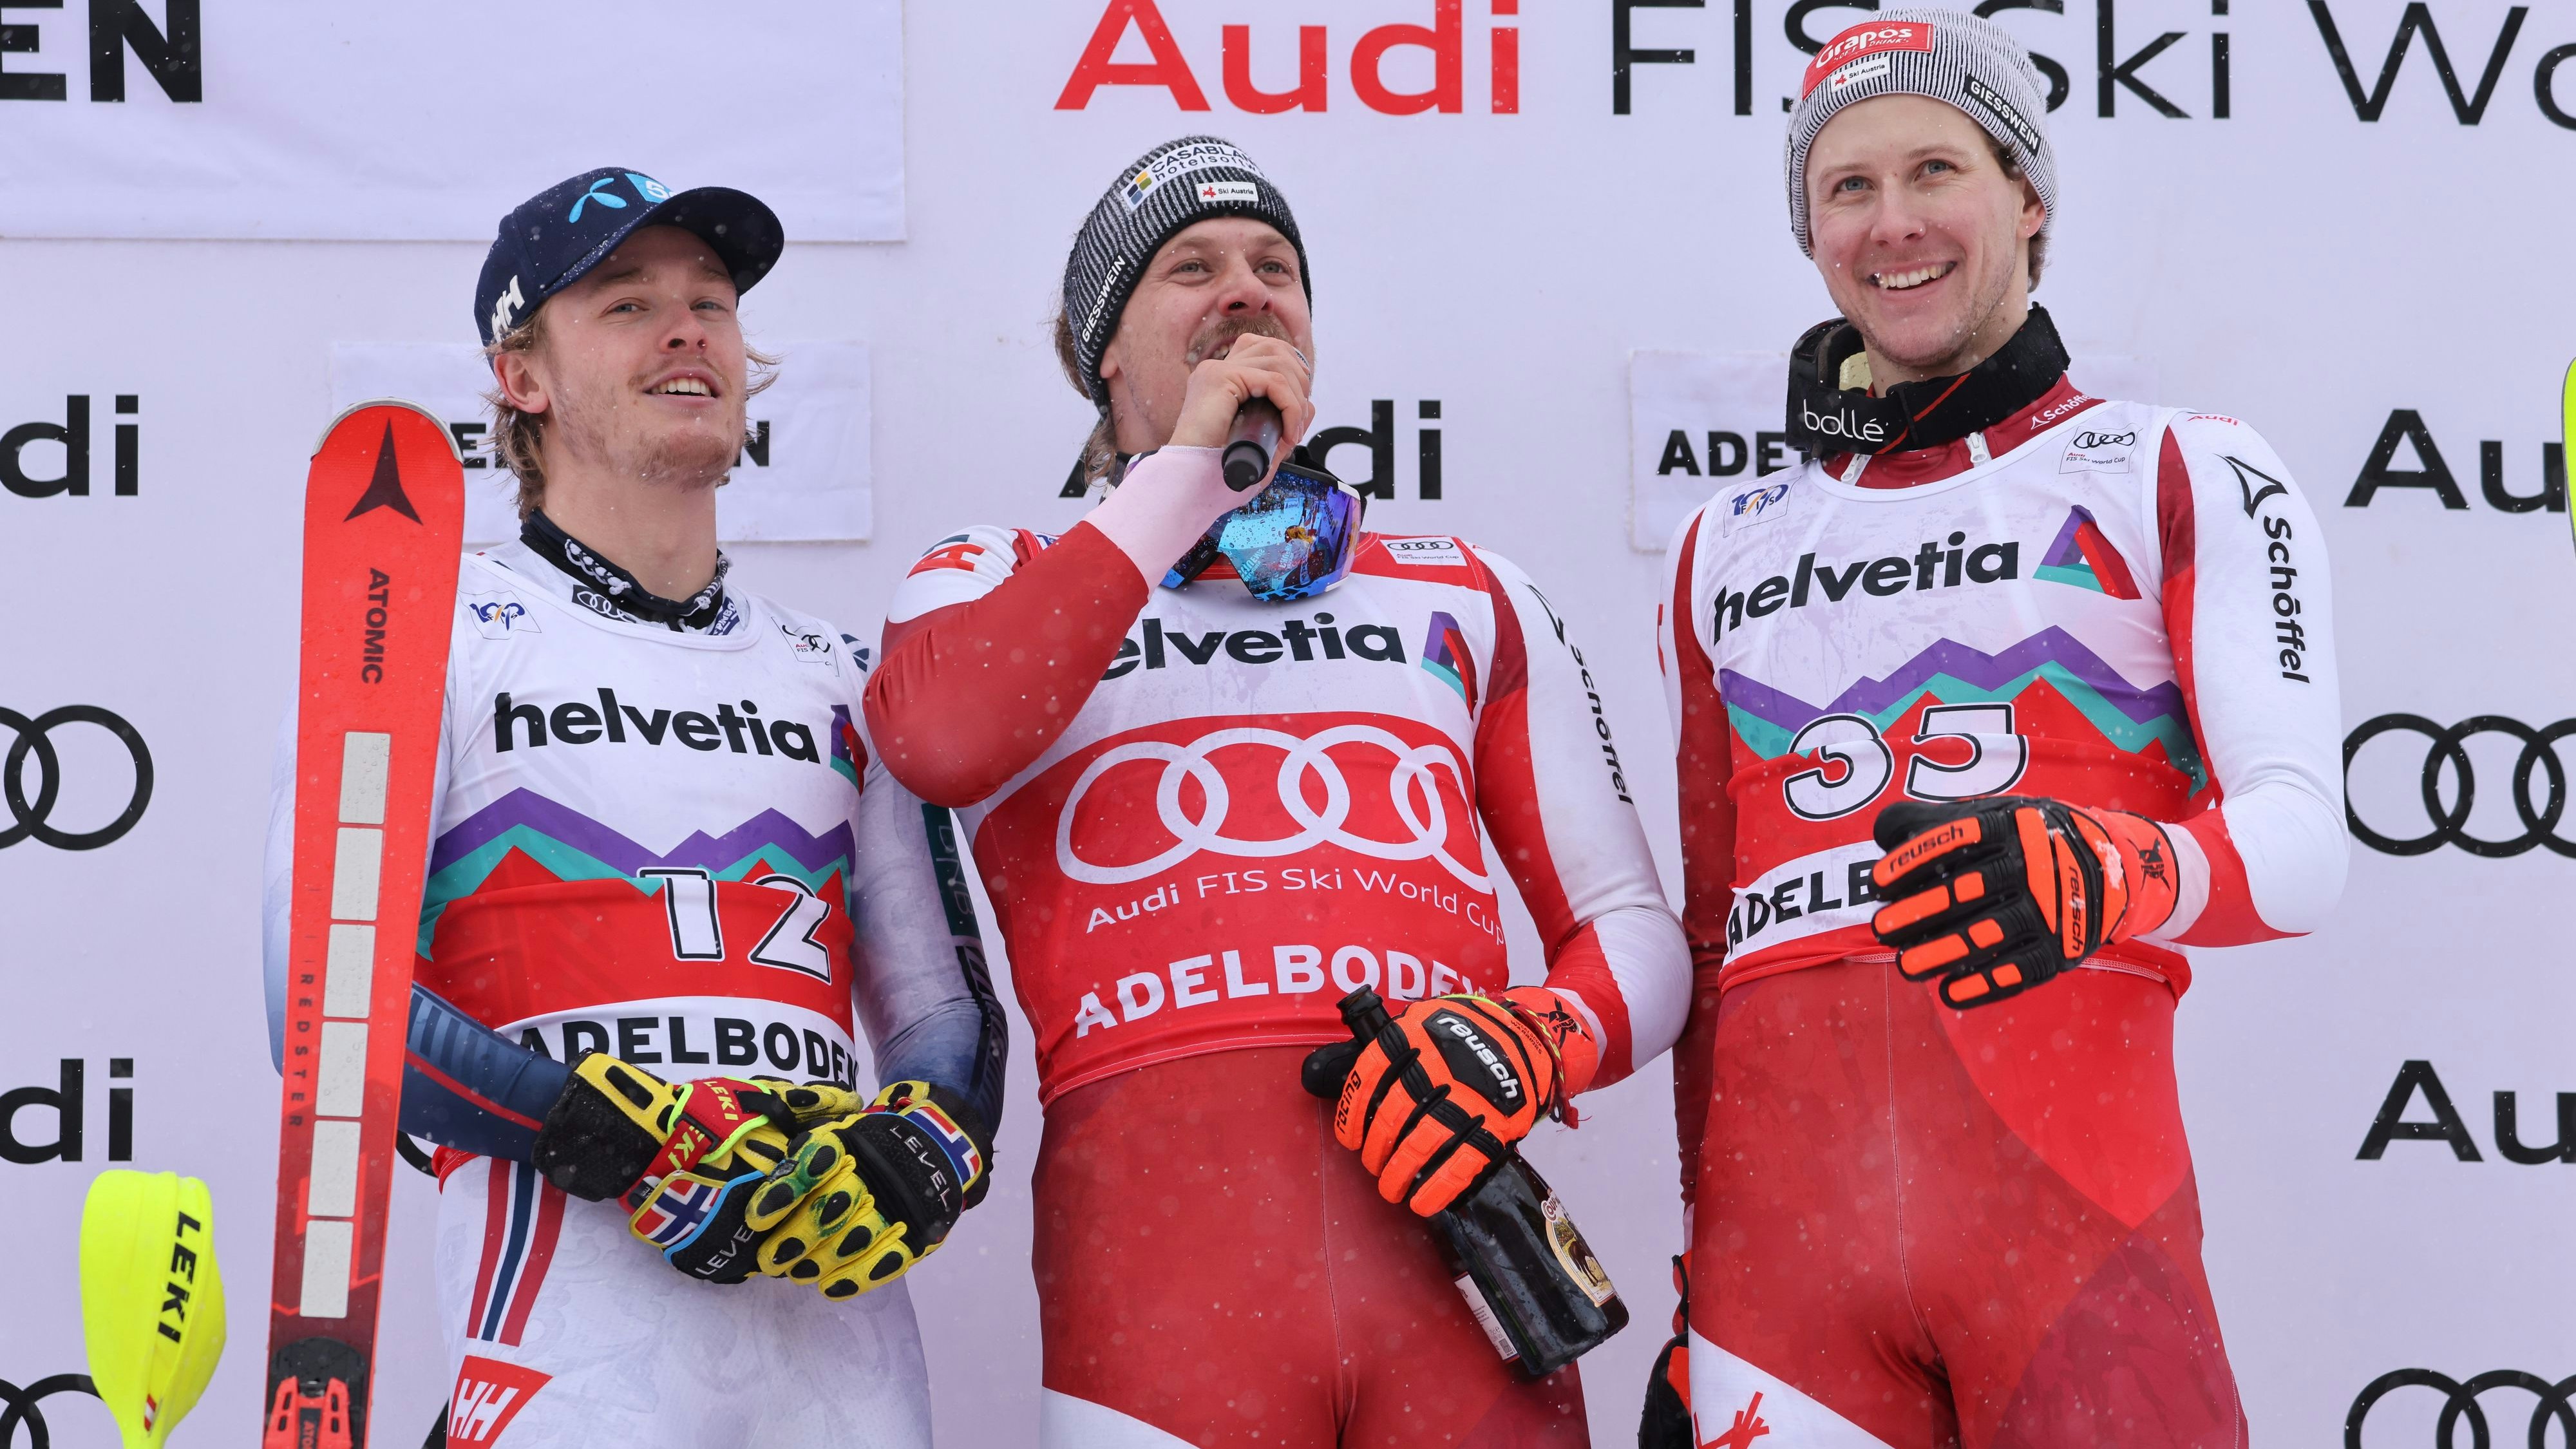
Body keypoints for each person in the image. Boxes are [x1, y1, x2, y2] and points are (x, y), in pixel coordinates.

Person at [864, 135, 1690, 1448]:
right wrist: (1181, 475)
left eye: (1274, 268)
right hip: (1160, 1300)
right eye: (1188, 270)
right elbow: (938, 740)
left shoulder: (1460, 585)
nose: (1245, 291)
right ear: (1104, 358)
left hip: (1454, 1276)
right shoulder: (993, 574)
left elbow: (1634, 935)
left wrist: (1532, 1040)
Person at [1650, 13, 2347, 1446]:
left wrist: (2100, 871)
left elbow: (2296, 842)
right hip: (1777, 1299)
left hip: (2077, 1249)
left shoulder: (2176, 464)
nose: (1893, 225)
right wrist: (1690, 1289)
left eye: (1934, 171)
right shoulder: (1721, 542)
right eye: (1845, 189)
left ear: (2025, 197)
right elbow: (1713, 945)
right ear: (1806, 229)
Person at [263, 167, 1007, 1448]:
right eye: (625, 304)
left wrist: (921, 1150)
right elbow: (320, 1002)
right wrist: (611, 1139)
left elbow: (942, 1011)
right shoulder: (429, 634)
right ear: (520, 376)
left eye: (711, 303)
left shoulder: (841, 673)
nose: (687, 331)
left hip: (842, 1344)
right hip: (573, 1332)